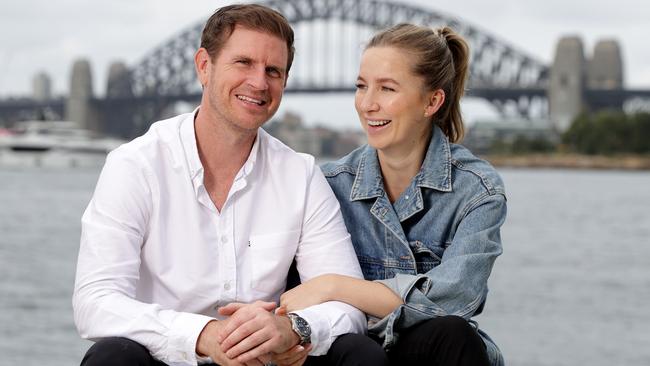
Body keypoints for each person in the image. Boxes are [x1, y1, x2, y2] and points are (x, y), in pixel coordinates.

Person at [73, 4, 369, 366]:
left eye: (273, 70)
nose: (259, 83)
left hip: (267, 359)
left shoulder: (301, 175)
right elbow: (95, 302)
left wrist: (291, 329)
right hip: (171, 358)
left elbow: (349, 305)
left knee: (358, 352)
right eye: (243, 62)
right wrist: (202, 335)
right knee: (111, 357)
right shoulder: (136, 165)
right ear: (203, 66)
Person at [280, 23, 507, 366]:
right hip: (347, 352)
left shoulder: (476, 189)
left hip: (429, 349)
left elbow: (455, 298)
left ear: (433, 100)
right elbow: (294, 300)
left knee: (455, 335)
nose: (368, 104)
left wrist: (334, 286)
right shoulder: (328, 183)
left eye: (387, 89)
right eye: (361, 86)